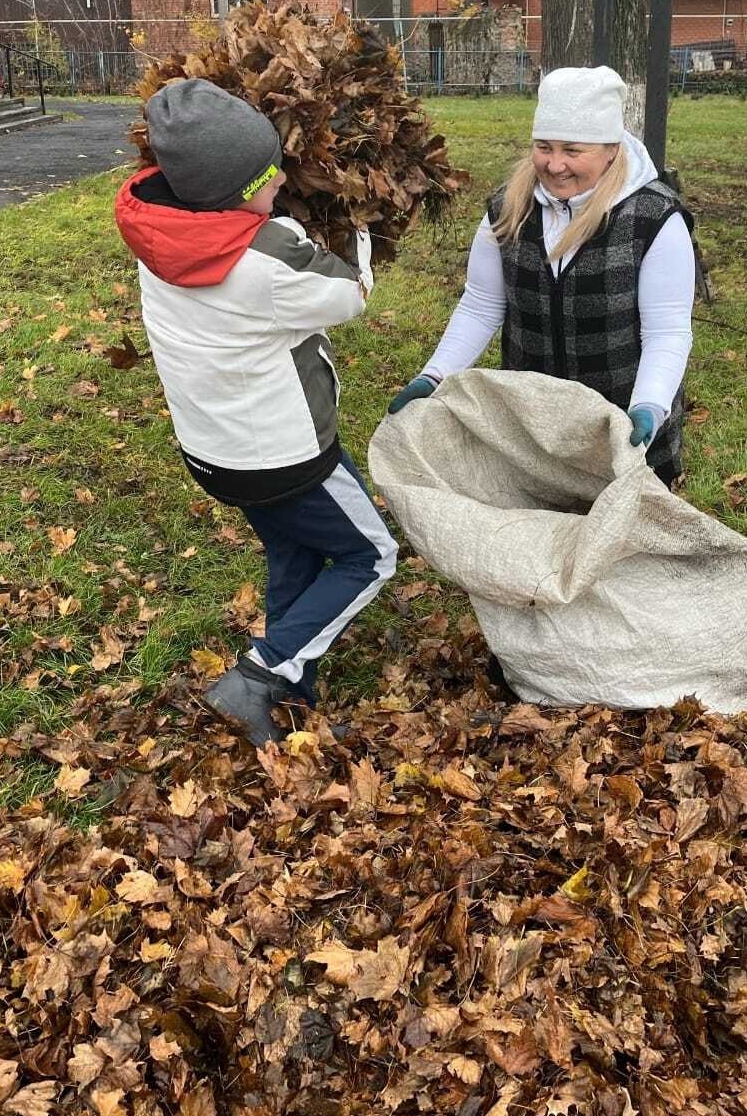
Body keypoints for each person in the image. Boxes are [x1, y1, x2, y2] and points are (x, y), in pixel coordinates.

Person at [115, 78, 396, 746]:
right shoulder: (265, 261)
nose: (281, 185)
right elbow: (349, 294)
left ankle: (290, 695)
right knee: (372, 557)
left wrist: (274, 219)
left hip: (217, 456)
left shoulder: (158, 234)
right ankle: (260, 675)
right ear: (240, 193)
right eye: (271, 177)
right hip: (287, 456)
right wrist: (355, 231)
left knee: (293, 550)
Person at [389, 65, 695, 485]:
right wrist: (434, 375)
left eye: (572, 150)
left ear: (610, 148)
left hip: (623, 428)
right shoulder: (507, 209)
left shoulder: (652, 218)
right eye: (544, 147)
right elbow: (481, 306)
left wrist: (649, 405)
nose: (555, 165)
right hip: (535, 425)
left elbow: (667, 332)